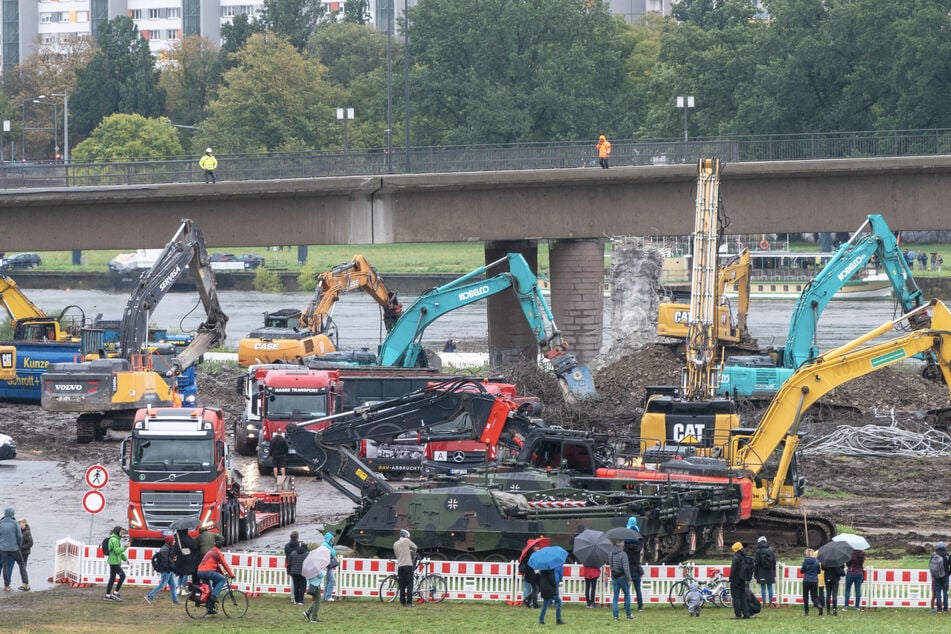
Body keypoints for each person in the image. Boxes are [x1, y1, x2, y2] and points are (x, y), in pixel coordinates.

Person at [197, 534, 235, 615]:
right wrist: (231, 574)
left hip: (200, 571)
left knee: (208, 590)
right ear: (221, 546)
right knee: (223, 580)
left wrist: (222, 573)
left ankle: (210, 608)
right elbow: (224, 564)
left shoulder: (211, 551)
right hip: (208, 571)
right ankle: (214, 597)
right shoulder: (217, 553)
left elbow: (217, 565)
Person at [145, 534, 179, 605]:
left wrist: (173, 559)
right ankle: (149, 596)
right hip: (166, 570)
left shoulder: (167, 548)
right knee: (162, 585)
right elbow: (165, 562)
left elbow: (168, 559)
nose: (175, 541)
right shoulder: (166, 549)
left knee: (172, 586)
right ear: (170, 540)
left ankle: (175, 600)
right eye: (174, 540)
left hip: (168, 570)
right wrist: (169, 568)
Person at [0, 507, 25, 592]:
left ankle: (6, 585)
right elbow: (20, 536)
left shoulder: (0, 523)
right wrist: (19, 546)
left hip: (3, 549)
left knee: (5, 566)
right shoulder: (15, 523)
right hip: (14, 548)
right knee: (21, 563)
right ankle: (25, 583)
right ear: (12, 514)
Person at [608, 541, 633, 621]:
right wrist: (629, 578)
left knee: (615, 597)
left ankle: (616, 616)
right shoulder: (623, 554)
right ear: (621, 545)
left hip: (615, 577)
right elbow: (626, 568)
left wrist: (612, 575)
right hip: (622, 578)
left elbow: (611, 566)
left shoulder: (611, 553)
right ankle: (628, 614)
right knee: (627, 595)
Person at [623, 519, 644, 612]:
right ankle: (640, 606)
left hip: (628, 568)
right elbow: (640, 549)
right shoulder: (639, 541)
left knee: (627, 589)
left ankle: (626, 604)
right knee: (638, 589)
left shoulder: (626, 543)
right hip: (636, 566)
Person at [393, 529, 418, 607]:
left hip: (400, 566)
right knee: (410, 585)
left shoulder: (395, 544)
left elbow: (397, 555)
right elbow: (415, 547)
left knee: (402, 585)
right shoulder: (406, 541)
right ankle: (409, 603)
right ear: (406, 535)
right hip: (408, 565)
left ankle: (402, 602)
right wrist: (411, 551)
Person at [104, 526, 128, 601]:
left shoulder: (116, 539)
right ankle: (115, 593)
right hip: (114, 562)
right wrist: (125, 546)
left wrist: (125, 559)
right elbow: (117, 551)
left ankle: (107, 596)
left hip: (113, 561)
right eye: (121, 532)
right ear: (117, 532)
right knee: (123, 576)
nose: (122, 534)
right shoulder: (114, 540)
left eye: (123, 532)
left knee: (112, 578)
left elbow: (119, 553)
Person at [730, 542, 751, 619]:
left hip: (736, 580)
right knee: (743, 597)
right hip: (743, 580)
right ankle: (746, 614)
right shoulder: (745, 556)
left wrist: (731, 578)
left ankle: (738, 614)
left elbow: (733, 570)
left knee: (736, 598)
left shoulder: (736, 558)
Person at [285, 536, 309, 606]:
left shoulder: (292, 554)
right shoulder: (306, 554)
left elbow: (289, 563)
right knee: (302, 586)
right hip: (302, 572)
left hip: (294, 572)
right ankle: (300, 600)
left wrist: (288, 571)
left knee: (296, 586)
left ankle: (295, 600)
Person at [753, 535, 776, 606]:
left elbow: (757, 563)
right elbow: (774, 562)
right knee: (770, 587)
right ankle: (770, 602)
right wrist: (773, 571)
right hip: (769, 571)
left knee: (763, 587)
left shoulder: (758, 551)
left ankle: (764, 603)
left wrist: (756, 573)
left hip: (761, 571)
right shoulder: (770, 550)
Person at [801, 548, 823, 617]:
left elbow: (802, 571)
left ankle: (806, 612)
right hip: (814, 580)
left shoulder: (805, 561)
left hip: (806, 580)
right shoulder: (817, 562)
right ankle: (819, 606)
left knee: (805, 596)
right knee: (814, 596)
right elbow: (819, 571)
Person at [519, 541, 541, 608]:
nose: (538, 548)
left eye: (538, 546)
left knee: (536, 589)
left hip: (531, 575)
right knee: (536, 589)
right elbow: (533, 565)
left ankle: (527, 600)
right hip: (533, 575)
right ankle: (533, 604)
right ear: (533, 547)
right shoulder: (533, 555)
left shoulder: (530, 554)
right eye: (537, 546)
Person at [931, 541, 951, 613]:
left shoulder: (934, 555)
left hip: (936, 577)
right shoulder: (947, 555)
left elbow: (930, 566)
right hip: (945, 576)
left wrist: (933, 574)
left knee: (938, 592)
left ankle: (939, 609)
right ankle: (945, 609)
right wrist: (949, 573)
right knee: (945, 592)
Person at [16, 517, 32, 591]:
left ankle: (25, 584)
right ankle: (25, 583)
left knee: (23, 567)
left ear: (24, 523)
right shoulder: (20, 531)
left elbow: (31, 543)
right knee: (22, 567)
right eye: (19, 523)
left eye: (21, 523)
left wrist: (21, 547)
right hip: (20, 552)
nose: (20, 524)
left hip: (25, 552)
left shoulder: (27, 532)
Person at [322, 532, 337, 602]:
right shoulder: (326, 545)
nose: (334, 539)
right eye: (333, 537)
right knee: (332, 580)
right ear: (330, 538)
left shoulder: (329, 545)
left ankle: (325, 596)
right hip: (326, 565)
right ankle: (328, 596)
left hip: (328, 565)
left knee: (328, 581)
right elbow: (333, 553)